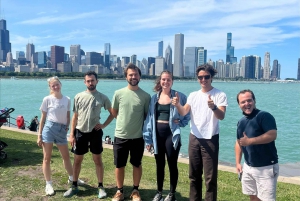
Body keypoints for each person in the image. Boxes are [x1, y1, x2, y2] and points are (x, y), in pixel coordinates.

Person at [172, 64, 227, 201]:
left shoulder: (219, 95)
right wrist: (178, 104)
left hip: (211, 138)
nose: (203, 80)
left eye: (206, 77)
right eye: (200, 77)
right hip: (194, 138)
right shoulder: (193, 95)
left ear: (211, 77)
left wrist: (213, 107)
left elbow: (221, 116)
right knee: (194, 175)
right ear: (197, 78)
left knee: (210, 177)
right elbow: (184, 111)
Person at [63, 71, 114, 199]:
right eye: (88, 81)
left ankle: (101, 187)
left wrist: (103, 125)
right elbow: (75, 117)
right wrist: (71, 134)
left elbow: (113, 113)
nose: (90, 83)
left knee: (97, 160)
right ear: (85, 82)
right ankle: (74, 186)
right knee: (77, 160)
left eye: (93, 80)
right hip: (80, 132)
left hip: (95, 133)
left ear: (97, 81)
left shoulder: (103, 97)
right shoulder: (79, 96)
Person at [143, 70, 190, 201]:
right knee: (159, 164)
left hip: (171, 135)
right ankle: (159, 192)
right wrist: (148, 140)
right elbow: (149, 119)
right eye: (163, 79)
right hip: (157, 136)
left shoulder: (179, 96)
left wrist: (181, 122)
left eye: (168, 79)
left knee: (172, 164)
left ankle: (172, 194)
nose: (166, 82)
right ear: (160, 81)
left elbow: (187, 112)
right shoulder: (154, 98)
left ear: (172, 81)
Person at [37, 76, 84, 196]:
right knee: (47, 158)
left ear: (60, 84)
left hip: (62, 130)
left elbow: (68, 116)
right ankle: (48, 184)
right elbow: (42, 118)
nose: (55, 87)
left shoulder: (67, 99)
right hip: (49, 128)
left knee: (66, 157)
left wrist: (67, 128)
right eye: (53, 86)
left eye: (57, 84)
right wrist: (39, 135)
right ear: (50, 87)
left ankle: (72, 178)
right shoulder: (47, 99)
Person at [111, 63, 151, 201]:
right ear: (126, 77)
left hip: (138, 137)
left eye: (136, 74)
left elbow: (146, 116)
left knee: (136, 164)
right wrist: (123, 122)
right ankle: (119, 191)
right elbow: (114, 111)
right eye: (130, 75)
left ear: (140, 76)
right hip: (120, 135)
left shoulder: (146, 96)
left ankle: (135, 190)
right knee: (119, 165)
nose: (133, 77)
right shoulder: (118, 93)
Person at [235, 89, 279, 201]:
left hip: (266, 167)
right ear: (239, 105)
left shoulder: (264, 116)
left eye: (249, 100)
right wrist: (238, 163)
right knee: (253, 197)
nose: (246, 104)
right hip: (248, 166)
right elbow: (238, 142)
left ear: (254, 101)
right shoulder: (241, 122)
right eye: (243, 102)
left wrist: (250, 141)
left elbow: (272, 134)